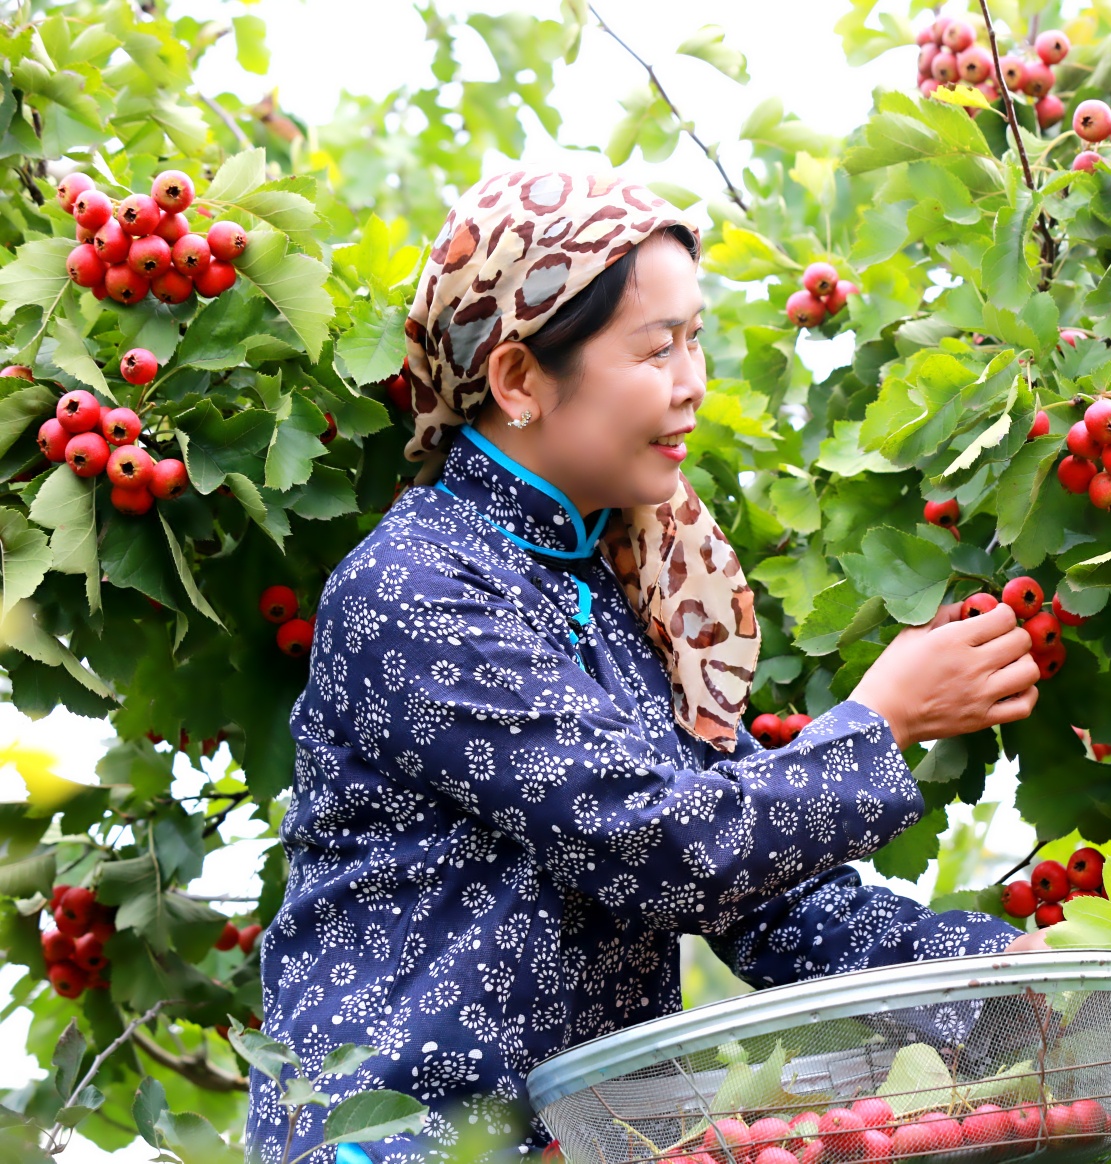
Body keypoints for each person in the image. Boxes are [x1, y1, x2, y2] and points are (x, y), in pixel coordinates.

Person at [244, 170, 1048, 1163]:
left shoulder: (633, 601)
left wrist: (1009, 981)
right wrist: (876, 725)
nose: (691, 381)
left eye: (694, 338)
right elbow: (655, 844)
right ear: (518, 380)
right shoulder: (417, 588)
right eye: (655, 347)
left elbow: (766, 898)